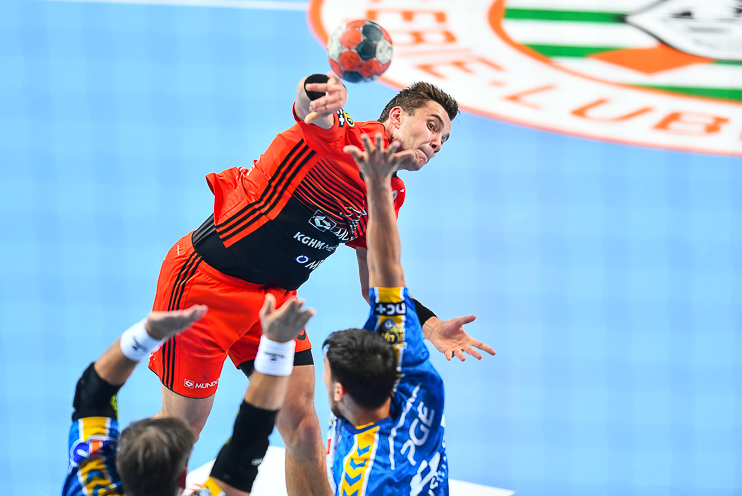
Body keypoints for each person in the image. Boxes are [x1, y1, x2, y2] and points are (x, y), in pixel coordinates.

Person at [147, 72, 494, 495]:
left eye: (445, 139)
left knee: (304, 429)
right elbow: (309, 105)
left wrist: (431, 324)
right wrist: (320, 88)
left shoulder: (388, 192)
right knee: (181, 431)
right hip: (206, 288)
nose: (437, 142)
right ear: (397, 117)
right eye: (433, 125)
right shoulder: (337, 136)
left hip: (276, 303)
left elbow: (375, 282)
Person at [322, 134, 496, 495]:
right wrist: (379, 186)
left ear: (340, 391)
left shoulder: (364, 479)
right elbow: (388, 270)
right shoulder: (414, 380)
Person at [63, 296, 314, 496]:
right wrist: (148, 334)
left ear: (119, 465)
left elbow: (250, 436)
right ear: (183, 477)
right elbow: (93, 395)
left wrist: (276, 347)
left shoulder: (88, 486)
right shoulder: (90, 483)